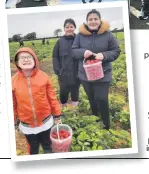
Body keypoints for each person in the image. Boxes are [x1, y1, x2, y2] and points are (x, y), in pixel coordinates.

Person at [72, 9, 120, 130]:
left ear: (100, 21)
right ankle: (95, 118)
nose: (93, 21)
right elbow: (73, 51)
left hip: (103, 74)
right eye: (90, 19)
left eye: (95, 19)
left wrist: (104, 55)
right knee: (92, 98)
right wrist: (84, 52)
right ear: (87, 21)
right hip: (85, 75)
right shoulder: (79, 36)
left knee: (102, 99)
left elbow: (116, 51)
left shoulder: (108, 34)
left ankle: (106, 125)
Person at [12, 47, 62, 155]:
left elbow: (52, 97)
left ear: (35, 60)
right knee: (33, 146)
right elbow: (13, 103)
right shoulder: (13, 81)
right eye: (22, 58)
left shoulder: (44, 77)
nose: (26, 60)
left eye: (29, 57)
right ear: (17, 62)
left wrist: (57, 114)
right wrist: (13, 120)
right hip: (27, 124)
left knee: (47, 144)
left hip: (45, 121)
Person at [52, 18, 80, 108]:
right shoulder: (60, 42)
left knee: (75, 91)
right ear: (64, 29)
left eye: (71, 26)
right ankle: (64, 109)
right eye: (67, 27)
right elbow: (55, 56)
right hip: (64, 73)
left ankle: (74, 110)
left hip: (77, 72)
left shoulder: (79, 40)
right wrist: (58, 70)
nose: (69, 29)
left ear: (74, 28)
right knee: (63, 91)